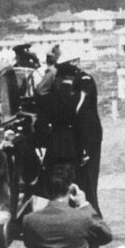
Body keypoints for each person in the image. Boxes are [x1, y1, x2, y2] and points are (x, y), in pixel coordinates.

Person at [37, 44, 104, 215]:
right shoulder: (59, 80)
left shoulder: (83, 81)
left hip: (83, 138)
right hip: (68, 139)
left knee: (86, 184)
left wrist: (84, 147)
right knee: (65, 182)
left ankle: (89, 219)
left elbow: (79, 111)